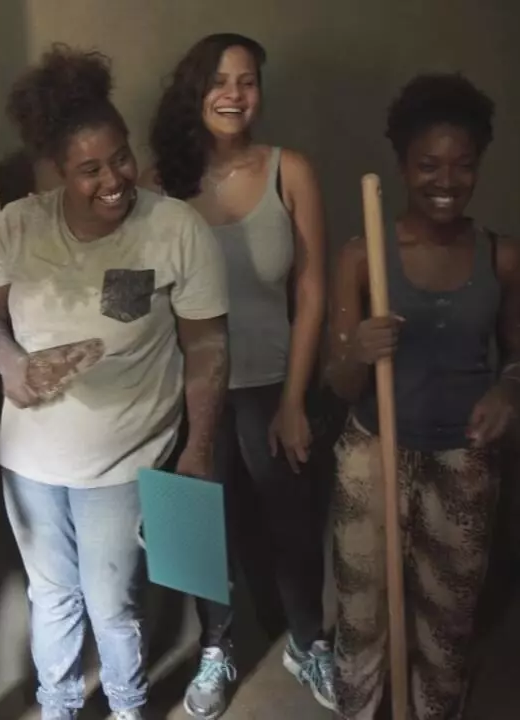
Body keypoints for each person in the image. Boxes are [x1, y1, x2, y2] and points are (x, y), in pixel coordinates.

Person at [0, 45, 231, 720]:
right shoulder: (19, 226)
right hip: (29, 461)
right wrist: (10, 364)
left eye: (120, 157)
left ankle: (127, 707)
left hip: (124, 459)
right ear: (58, 172)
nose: (113, 179)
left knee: (113, 604)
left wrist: (199, 448)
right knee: (51, 596)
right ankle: (57, 707)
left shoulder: (174, 228)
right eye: (89, 169)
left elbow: (207, 346)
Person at [325, 73, 520, 720]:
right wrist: (359, 351)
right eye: (428, 165)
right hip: (373, 453)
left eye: (463, 165)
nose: (446, 181)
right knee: (361, 613)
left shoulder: (504, 258)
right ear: (402, 166)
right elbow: (339, 382)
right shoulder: (363, 257)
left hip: (463, 459)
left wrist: (508, 389)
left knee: (447, 620)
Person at [147, 33, 334, 717]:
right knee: (192, 528)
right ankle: (214, 647)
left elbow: (311, 290)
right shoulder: (160, 182)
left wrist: (295, 399)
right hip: (184, 392)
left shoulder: (291, 170)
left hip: (270, 384)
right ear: (195, 91)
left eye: (247, 81)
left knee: (292, 524)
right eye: (219, 81)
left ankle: (308, 641)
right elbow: (135, 291)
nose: (233, 94)